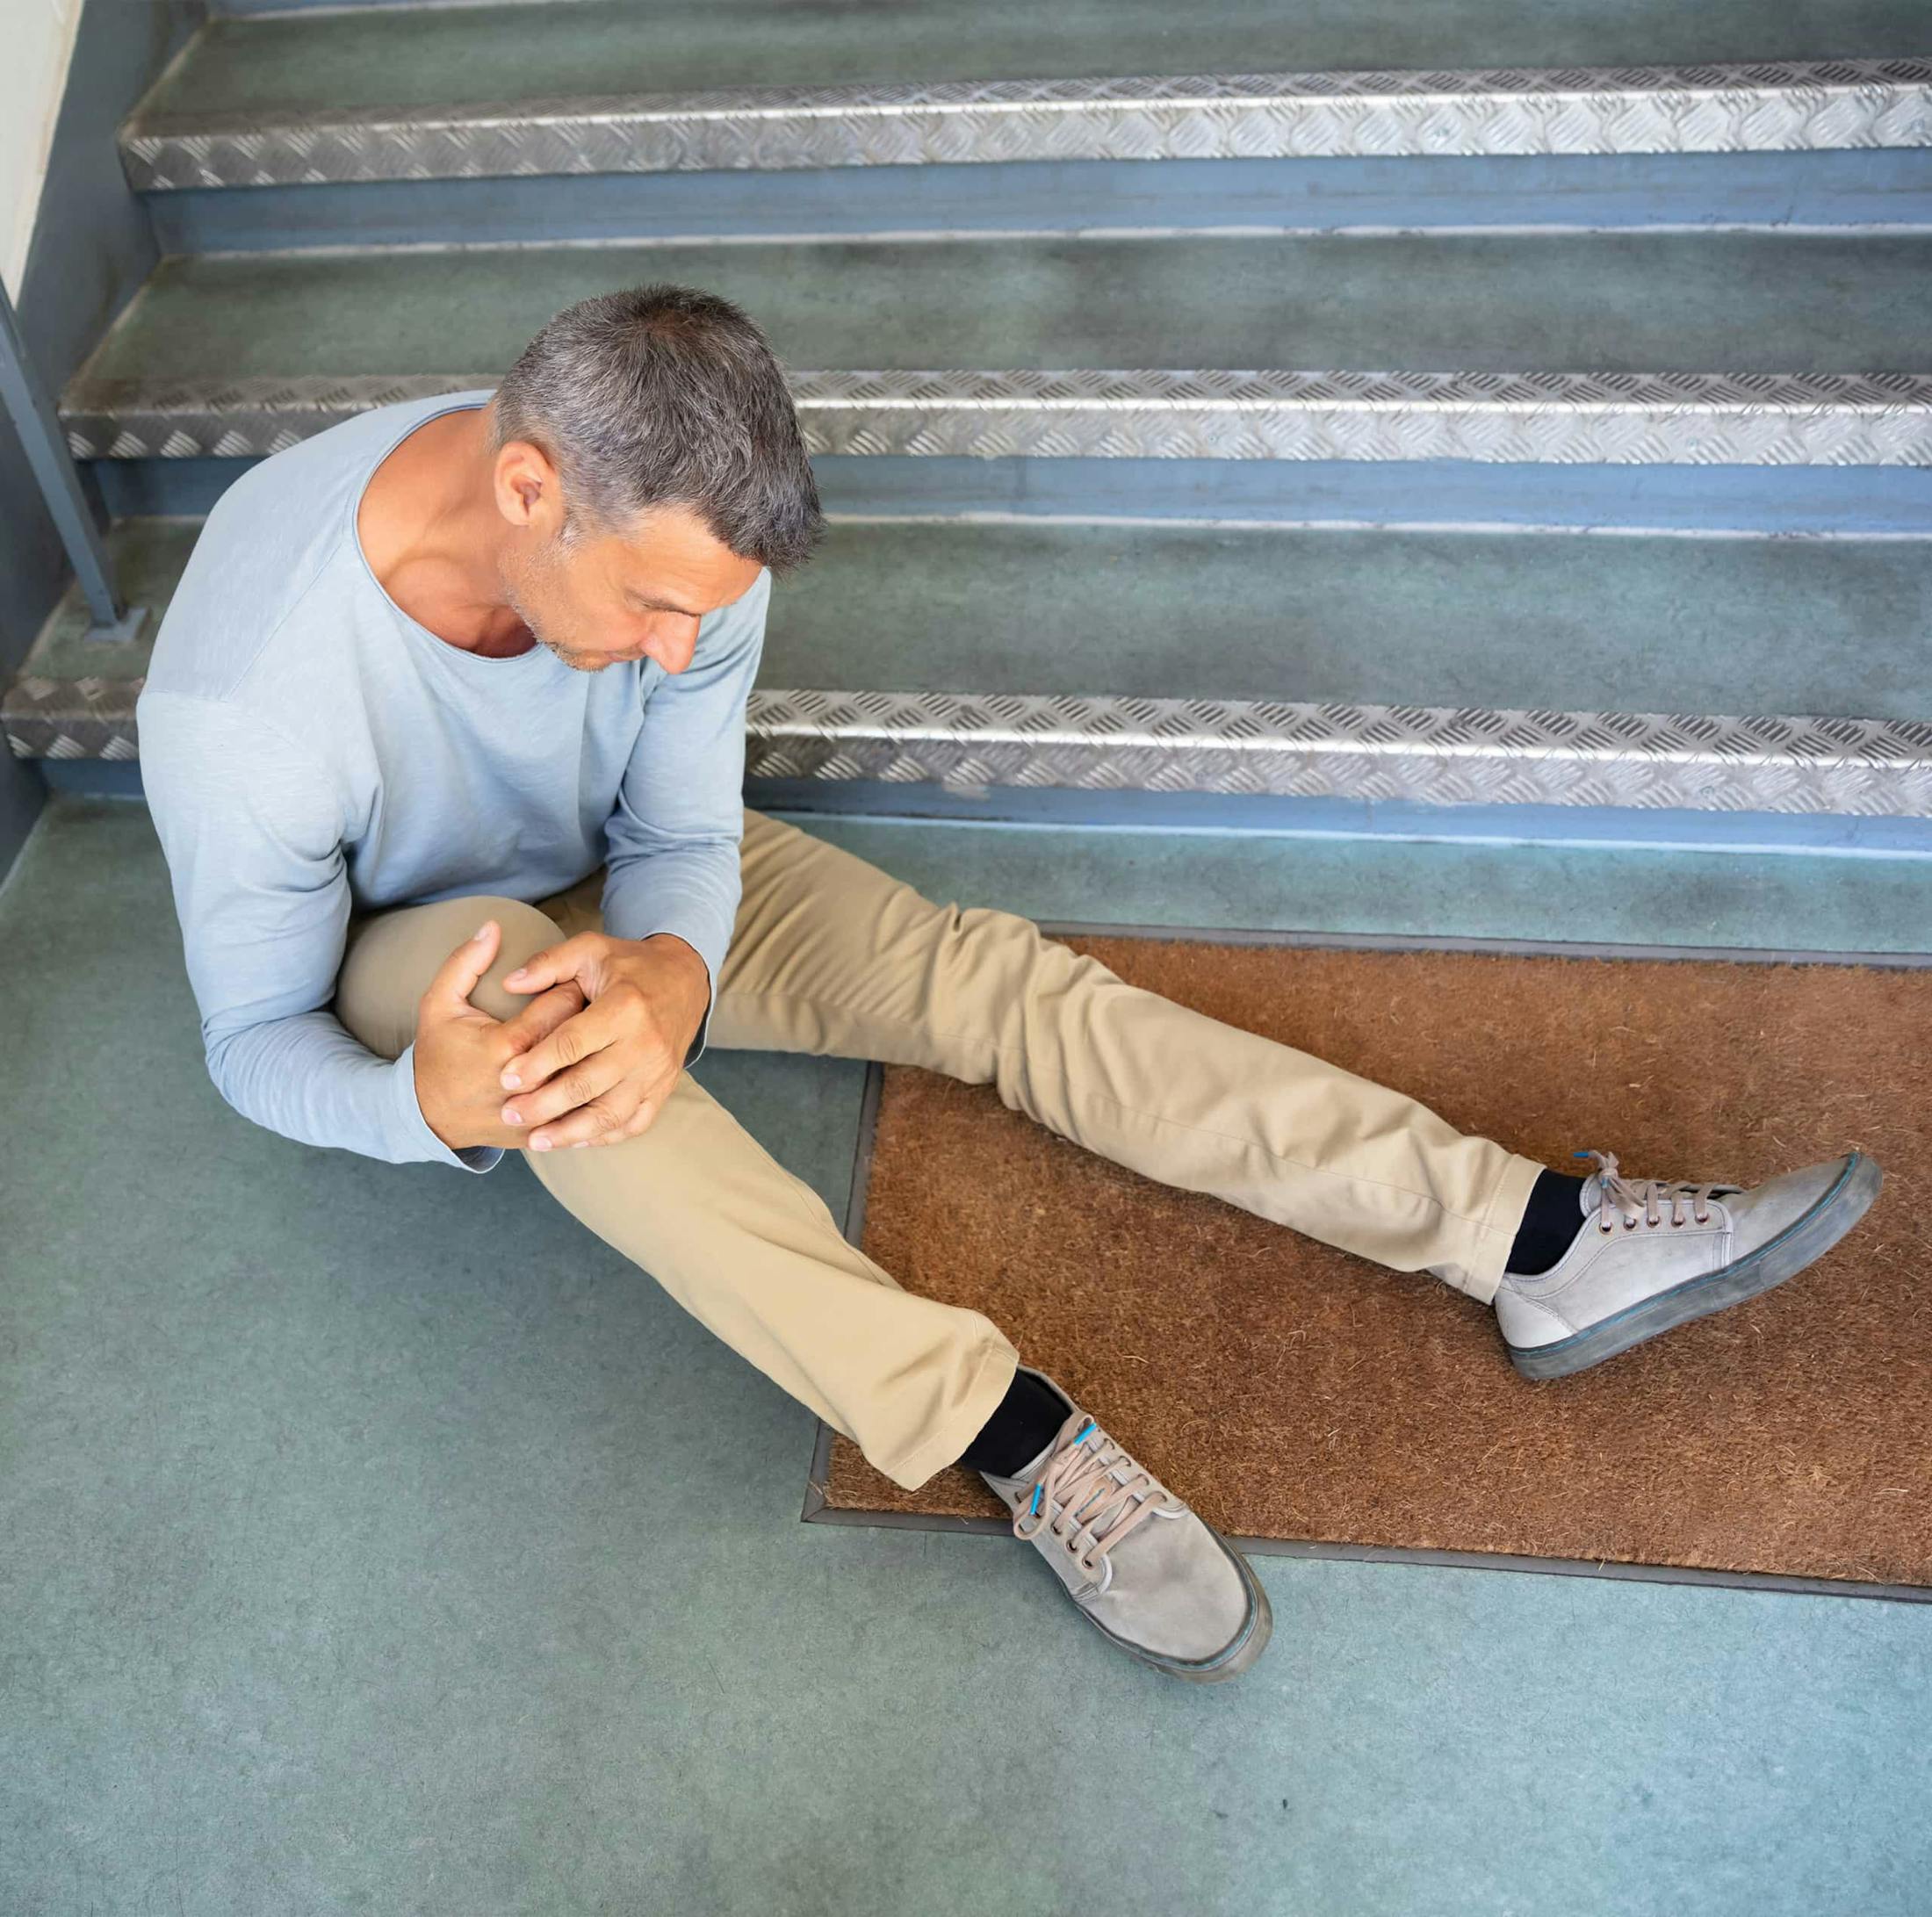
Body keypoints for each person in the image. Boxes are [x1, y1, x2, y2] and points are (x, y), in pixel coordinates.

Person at [133, 285, 1885, 1686]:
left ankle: (1531, 1241)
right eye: (658, 608)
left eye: (709, 616)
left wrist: (673, 956)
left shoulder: (691, 560)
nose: (685, 647)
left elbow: (677, 819)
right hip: (418, 959)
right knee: (563, 1074)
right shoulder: (252, 707)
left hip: (606, 882)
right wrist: (417, 1107)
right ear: (530, 490)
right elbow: (248, 1041)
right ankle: (1002, 1425)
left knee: (983, 983)